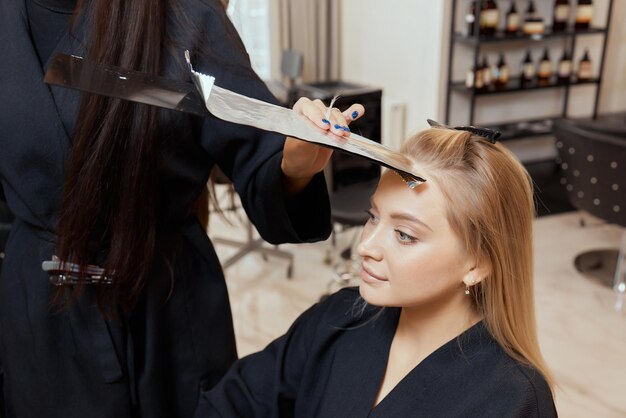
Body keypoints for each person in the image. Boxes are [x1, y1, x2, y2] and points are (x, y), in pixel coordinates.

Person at [0, 0, 364, 417]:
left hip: (167, 306)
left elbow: (260, 151)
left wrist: (296, 161)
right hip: (39, 316)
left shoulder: (185, 15)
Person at [196, 124, 558, 417]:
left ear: (477, 264)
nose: (365, 247)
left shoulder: (512, 400)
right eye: (373, 217)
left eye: (404, 235)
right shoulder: (336, 319)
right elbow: (230, 403)